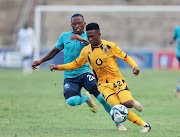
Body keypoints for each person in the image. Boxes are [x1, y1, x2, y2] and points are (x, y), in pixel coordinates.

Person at [32, 14, 142, 130]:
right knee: (72, 101)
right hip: (70, 76)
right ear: (71, 25)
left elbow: (96, 46)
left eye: (80, 23)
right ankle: (86, 98)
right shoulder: (64, 37)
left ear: (84, 24)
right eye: (74, 24)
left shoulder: (89, 36)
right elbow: (54, 51)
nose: (77, 26)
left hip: (86, 73)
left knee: (101, 98)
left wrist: (81, 39)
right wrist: (41, 60)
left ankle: (118, 123)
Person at [170, 26, 180, 97]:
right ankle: (177, 88)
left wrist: (172, 40)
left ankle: (177, 88)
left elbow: (173, 38)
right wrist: (172, 40)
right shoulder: (177, 29)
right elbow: (173, 38)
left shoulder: (177, 29)